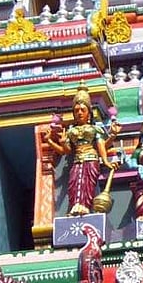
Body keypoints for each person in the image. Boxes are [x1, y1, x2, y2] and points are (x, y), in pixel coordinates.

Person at [45, 83, 120, 216]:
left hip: (91, 160)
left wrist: (112, 138)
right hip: (76, 161)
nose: (79, 113)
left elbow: (101, 145)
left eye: (82, 110)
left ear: (89, 113)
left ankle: (84, 206)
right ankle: (76, 206)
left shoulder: (94, 129)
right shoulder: (70, 131)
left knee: (87, 182)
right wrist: (51, 141)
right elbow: (65, 151)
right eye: (76, 110)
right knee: (74, 183)